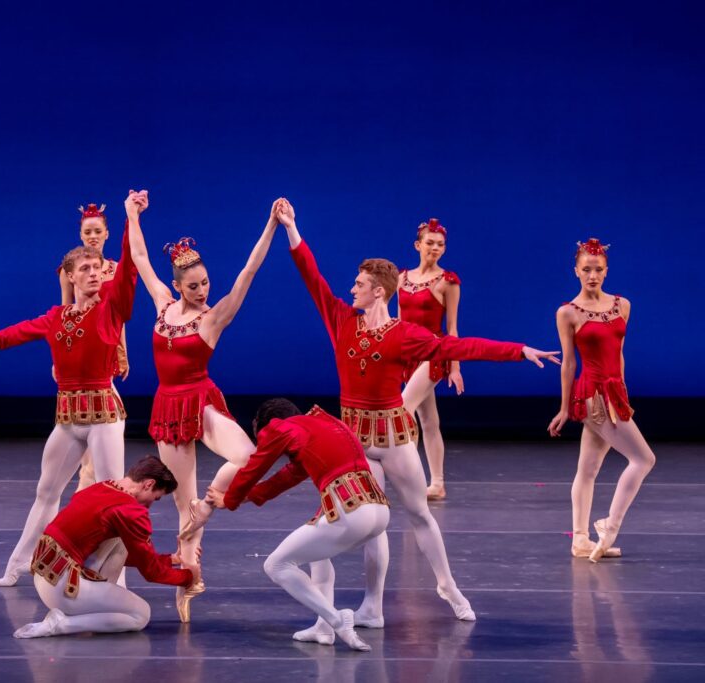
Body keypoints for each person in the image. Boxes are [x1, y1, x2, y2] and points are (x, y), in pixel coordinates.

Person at [276, 198, 559, 623]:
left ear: (378, 291)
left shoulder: (404, 335)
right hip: (353, 436)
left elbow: (458, 345)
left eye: (358, 284)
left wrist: (519, 351)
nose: (351, 288)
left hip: (392, 437)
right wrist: (292, 228)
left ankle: (447, 586)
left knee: (419, 513)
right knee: (374, 523)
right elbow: (310, 275)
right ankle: (372, 606)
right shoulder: (341, 319)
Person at [0, 195, 139, 587]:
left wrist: (130, 218)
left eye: (97, 268)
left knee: (112, 495)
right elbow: (20, 331)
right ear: (70, 276)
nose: (95, 272)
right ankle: (19, 562)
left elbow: (127, 268)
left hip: (104, 419)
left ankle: (114, 577)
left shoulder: (110, 310)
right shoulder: (55, 317)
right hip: (68, 419)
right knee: (46, 491)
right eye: (86, 269)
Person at [124, 189, 279, 621]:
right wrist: (131, 214)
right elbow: (139, 258)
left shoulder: (211, 318)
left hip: (201, 400)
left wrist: (271, 225)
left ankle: (211, 503)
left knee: (247, 457)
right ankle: (189, 581)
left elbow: (248, 272)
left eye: (205, 283)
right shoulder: (161, 305)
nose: (201, 290)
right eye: (193, 286)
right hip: (167, 407)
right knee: (181, 504)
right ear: (177, 286)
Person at [206, 399, 390, 651]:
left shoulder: (278, 428)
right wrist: (248, 497)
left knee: (276, 565)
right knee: (318, 555)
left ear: (267, 425)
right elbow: (288, 476)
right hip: (378, 511)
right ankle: (323, 629)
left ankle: (336, 619)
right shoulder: (325, 424)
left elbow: (253, 468)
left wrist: (230, 499)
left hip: (352, 512)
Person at [548, 238, 655, 561]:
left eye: (598, 269)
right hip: (593, 396)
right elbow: (569, 363)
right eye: (586, 269)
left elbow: (618, 353)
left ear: (606, 272)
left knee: (589, 468)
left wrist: (621, 391)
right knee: (644, 459)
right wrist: (565, 407)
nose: (592, 275)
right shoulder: (568, 312)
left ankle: (580, 539)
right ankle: (610, 524)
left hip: (613, 394)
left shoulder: (622, 305)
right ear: (576, 271)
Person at [15, 456, 199, 638]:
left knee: (120, 540)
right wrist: (189, 577)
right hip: (63, 589)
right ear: (148, 484)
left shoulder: (100, 488)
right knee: (141, 614)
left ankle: (86, 605)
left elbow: (130, 553)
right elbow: (151, 572)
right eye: (155, 498)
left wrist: (170, 560)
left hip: (45, 577)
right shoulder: (131, 511)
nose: (151, 504)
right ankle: (61, 624)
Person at [58, 203, 130, 492]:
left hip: (106, 351)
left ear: (107, 234)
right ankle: (88, 494)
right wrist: (60, 356)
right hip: (79, 351)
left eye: (97, 231)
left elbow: (119, 316)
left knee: (99, 426)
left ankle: (88, 492)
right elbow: (63, 312)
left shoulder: (112, 270)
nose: (93, 236)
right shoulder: (71, 270)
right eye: (87, 232)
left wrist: (123, 352)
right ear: (80, 234)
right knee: (89, 427)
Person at [398, 219, 461, 500]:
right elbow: (398, 322)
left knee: (402, 410)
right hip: (407, 355)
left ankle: (411, 481)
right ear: (418, 245)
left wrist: (455, 366)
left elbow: (452, 329)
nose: (435, 248)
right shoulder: (401, 278)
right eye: (430, 243)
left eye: (440, 244)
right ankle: (437, 483)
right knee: (429, 421)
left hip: (434, 354)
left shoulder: (447, 282)